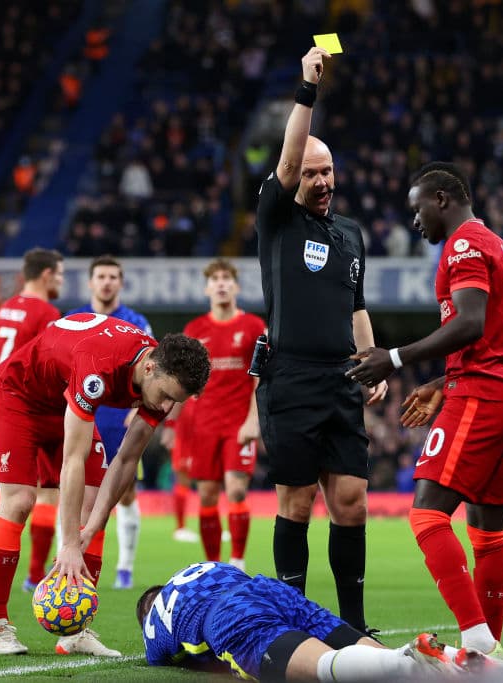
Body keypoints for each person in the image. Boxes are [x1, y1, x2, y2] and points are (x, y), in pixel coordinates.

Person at [347, 162, 503, 656]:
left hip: (483, 395)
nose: (415, 221)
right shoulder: (497, 244)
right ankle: (485, 652)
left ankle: (475, 637)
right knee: (488, 534)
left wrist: (393, 358)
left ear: (442, 200)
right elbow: (492, 334)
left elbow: (471, 324)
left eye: (417, 209)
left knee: (428, 517)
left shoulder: (465, 245)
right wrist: (441, 381)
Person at [0, 313, 209, 656]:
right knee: (20, 501)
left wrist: (93, 526)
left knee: (93, 504)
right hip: (18, 396)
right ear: (149, 369)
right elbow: (73, 459)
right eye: (164, 395)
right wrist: (70, 542)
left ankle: (75, 631)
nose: (165, 407)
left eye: (174, 401)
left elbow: (127, 460)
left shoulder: (160, 380)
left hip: (63, 400)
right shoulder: (98, 369)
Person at [253, 46, 387, 633]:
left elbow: (355, 303)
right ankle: (294, 623)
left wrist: (373, 362)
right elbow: (286, 162)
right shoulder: (277, 218)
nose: (322, 180)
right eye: (311, 173)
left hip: (340, 380)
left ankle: (352, 625)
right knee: (297, 503)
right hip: (291, 377)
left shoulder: (352, 234)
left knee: (352, 501)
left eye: (327, 170)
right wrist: (307, 90)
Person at [136, 561, 502, 681]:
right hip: (267, 589)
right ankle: (451, 658)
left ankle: (408, 661)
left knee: (323, 669)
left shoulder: (155, 618)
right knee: (369, 655)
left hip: (227, 614)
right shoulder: (200, 568)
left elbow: (172, 658)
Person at [0, 247, 64, 591]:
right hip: (30, 401)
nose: (62, 280)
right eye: (61, 273)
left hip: (0, 399)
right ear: (46, 275)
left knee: (13, 494)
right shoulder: (46, 312)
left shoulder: (5, 309)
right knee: (47, 493)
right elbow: (50, 360)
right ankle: (35, 576)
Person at [66, 255, 152, 589]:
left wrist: (139, 409)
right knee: (79, 495)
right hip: (83, 419)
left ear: (120, 282)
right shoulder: (75, 320)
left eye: (113, 276)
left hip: (122, 420)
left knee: (125, 492)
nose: (107, 282)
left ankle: (125, 568)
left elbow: (152, 371)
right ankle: (72, 557)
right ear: (90, 282)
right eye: (101, 276)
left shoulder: (136, 322)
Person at [178, 258, 266, 569]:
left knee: (237, 488)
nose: (221, 283)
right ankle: (214, 566)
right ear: (206, 288)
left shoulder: (254, 327)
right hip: (204, 425)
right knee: (206, 496)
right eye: (215, 279)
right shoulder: (195, 330)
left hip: (238, 424)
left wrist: (254, 420)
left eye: (227, 278)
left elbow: (261, 378)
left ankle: (238, 561)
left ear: (236, 286)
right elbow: (184, 380)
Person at [160, 395, 198, 543]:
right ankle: (180, 527)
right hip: (184, 436)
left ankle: (213, 524)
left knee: (208, 479)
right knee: (183, 480)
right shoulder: (187, 384)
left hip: (200, 433)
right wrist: (170, 427)